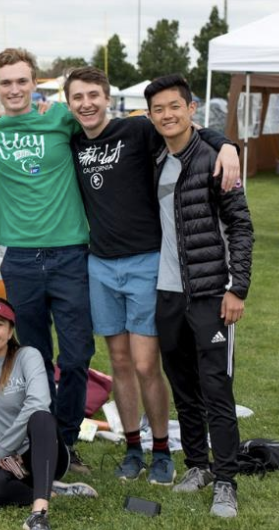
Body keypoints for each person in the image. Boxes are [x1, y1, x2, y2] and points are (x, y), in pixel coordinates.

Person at [63, 66, 240, 484]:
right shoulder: (70, 141)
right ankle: (131, 446)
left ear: (107, 97)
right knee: (119, 362)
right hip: (100, 264)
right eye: (77, 98)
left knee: (146, 365)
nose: (86, 103)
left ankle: (161, 448)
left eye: (93, 95)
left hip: (146, 262)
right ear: (68, 104)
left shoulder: (137, 131)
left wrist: (228, 145)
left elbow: (188, 131)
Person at [0, 48, 94, 471]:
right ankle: (47, 441)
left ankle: (68, 438)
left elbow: (114, 125)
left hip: (70, 255)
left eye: (22, 81)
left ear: (34, 82)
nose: (15, 89)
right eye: (6, 83)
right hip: (20, 260)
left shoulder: (61, 117)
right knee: (33, 357)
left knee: (75, 356)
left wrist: (219, 143)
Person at [145, 74, 253, 518]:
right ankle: (197, 465)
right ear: (150, 116)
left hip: (211, 294)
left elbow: (242, 227)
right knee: (183, 385)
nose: (167, 115)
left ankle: (225, 480)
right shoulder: (154, 158)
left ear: (191, 108)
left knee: (215, 388)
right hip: (167, 294)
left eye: (175, 106)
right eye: (159, 109)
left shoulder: (215, 158)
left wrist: (237, 288)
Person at [0, 297, 98, 530]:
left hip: (38, 452)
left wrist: (6, 448)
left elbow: (38, 402)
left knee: (41, 416)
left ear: (11, 330)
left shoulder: (27, 356)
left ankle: (39, 513)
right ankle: (52, 490)